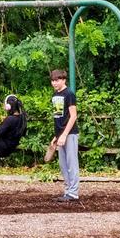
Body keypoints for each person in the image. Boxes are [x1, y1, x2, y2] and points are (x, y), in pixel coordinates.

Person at [43, 67, 79, 202]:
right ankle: (68, 192)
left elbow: (73, 116)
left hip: (70, 134)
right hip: (60, 135)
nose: (54, 83)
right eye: (52, 80)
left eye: (57, 80)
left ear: (63, 80)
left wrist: (64, 134)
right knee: (63, 164)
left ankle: (74, 193)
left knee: (71, 163)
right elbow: (58, 118)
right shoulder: (55, 95)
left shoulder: (69, 94)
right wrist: (56, 136)